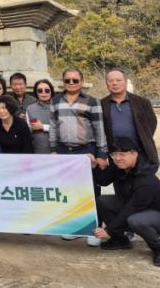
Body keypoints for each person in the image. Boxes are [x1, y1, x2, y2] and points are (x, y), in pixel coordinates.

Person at [92, 137, 160, 267]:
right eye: (114, 154)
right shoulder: (119, 166)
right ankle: (120, 240)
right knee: (102, 201)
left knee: (136, 221)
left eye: (122, 154)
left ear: (134, 153)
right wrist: (95, 167)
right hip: (134, 205)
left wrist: (108, 230)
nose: (117, 158)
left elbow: (131, 209)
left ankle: (159, 248)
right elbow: (103, 181)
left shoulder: (146, 178)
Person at [50, 68, 107, 245]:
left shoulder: (92, 101)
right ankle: (75, 228)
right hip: (64, 151)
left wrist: (101, 154)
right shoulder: (56, 100)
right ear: (63, 82)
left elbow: (99, 128)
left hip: (86, 150)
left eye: (75, 80)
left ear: (82, 82)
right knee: (69, 190)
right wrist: (53, 149)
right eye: (68, 80)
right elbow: (53, 126)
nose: (71, 83)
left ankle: (94, 230)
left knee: (91, 191)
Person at [101, 69, 159, 165]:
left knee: (142, 173)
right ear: (106, 83)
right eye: (110, 81)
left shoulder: (142, 102)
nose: (114, 83)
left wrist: (143, 140)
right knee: (118, 174)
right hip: (115, 153)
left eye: (118, 80)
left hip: (140, 151)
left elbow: (152, 123)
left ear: (126, 82)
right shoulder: (101, 104)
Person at [25, 79, 55, 154]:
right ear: (36, 93)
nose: (43, 93)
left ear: (51, 91)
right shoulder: (30, 109)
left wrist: (43, 127)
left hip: (57, 151)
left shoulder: (57, 107)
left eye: (47, 90)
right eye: (40, 90)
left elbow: (62, 129)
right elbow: (28, 131)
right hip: (37, 150)